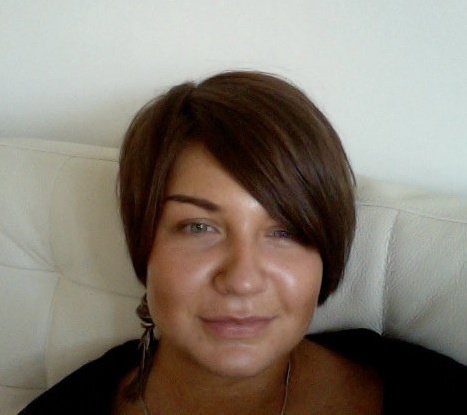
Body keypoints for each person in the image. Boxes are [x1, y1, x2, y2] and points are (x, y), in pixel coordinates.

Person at [20, 71, 467, 415]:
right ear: (143, 243)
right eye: (199, 227)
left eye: (285, 231)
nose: (242, 280)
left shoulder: (436, 393)